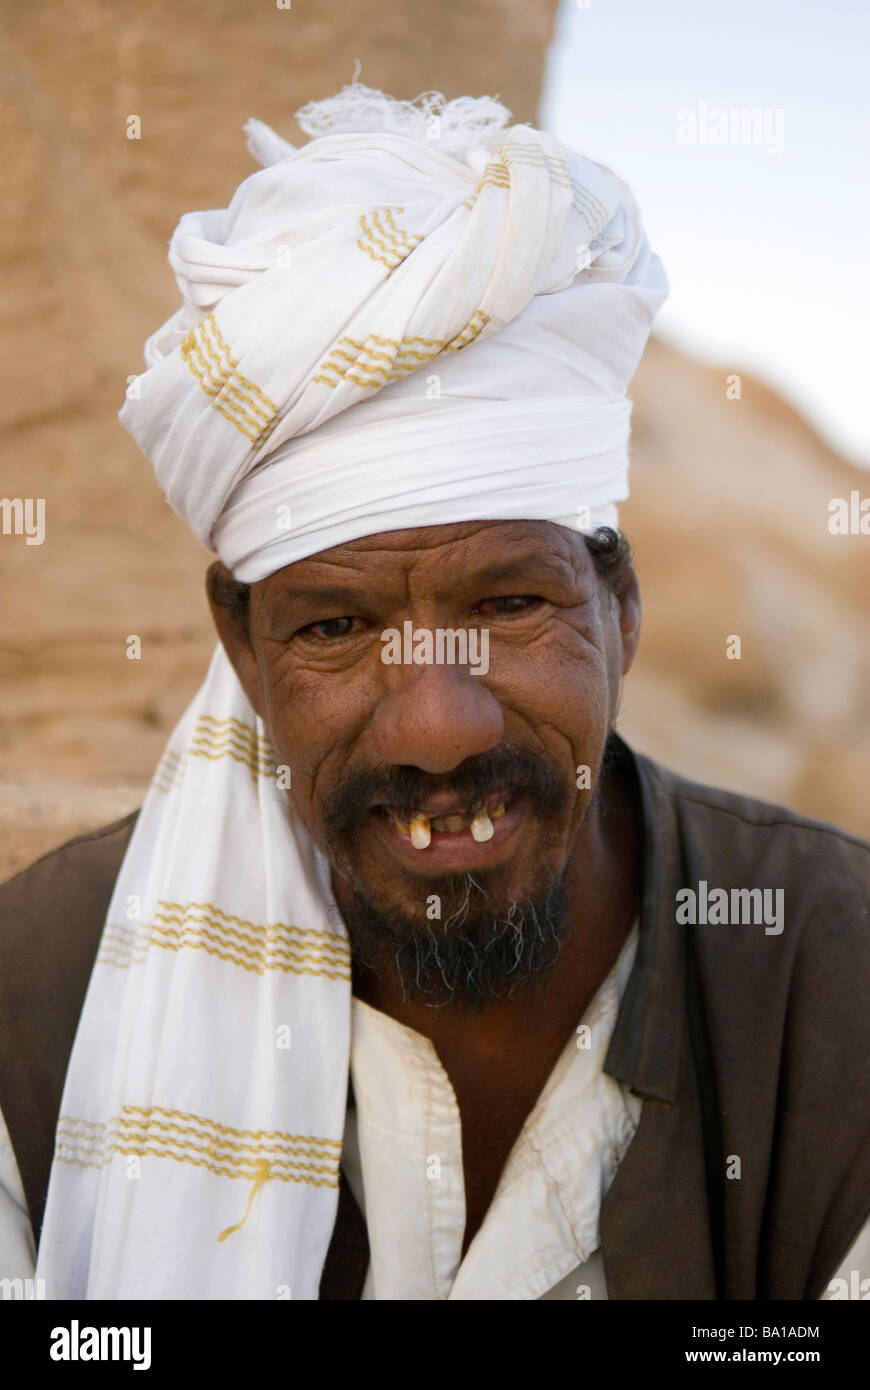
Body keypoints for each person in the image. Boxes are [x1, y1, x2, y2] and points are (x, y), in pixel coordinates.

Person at [1, 84, 868, 1302]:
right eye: (339, 627)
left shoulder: (836, 973)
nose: (436, 726)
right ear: (244, 648)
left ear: (619, 608)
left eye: (510, 606)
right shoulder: (34, 994)